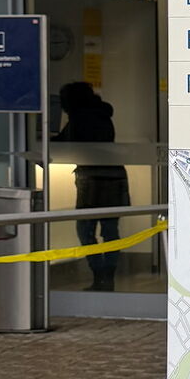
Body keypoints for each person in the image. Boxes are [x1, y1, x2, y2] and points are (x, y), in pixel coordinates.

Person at [54, 81, 130, 292]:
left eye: (63, 101)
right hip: (114, 176)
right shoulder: (102, 114)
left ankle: (100, 276)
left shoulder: (80, 118)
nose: (62, 106)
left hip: (93, 179)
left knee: (85, 230)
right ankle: (108, 277)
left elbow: (66, 143)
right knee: (110, 230)